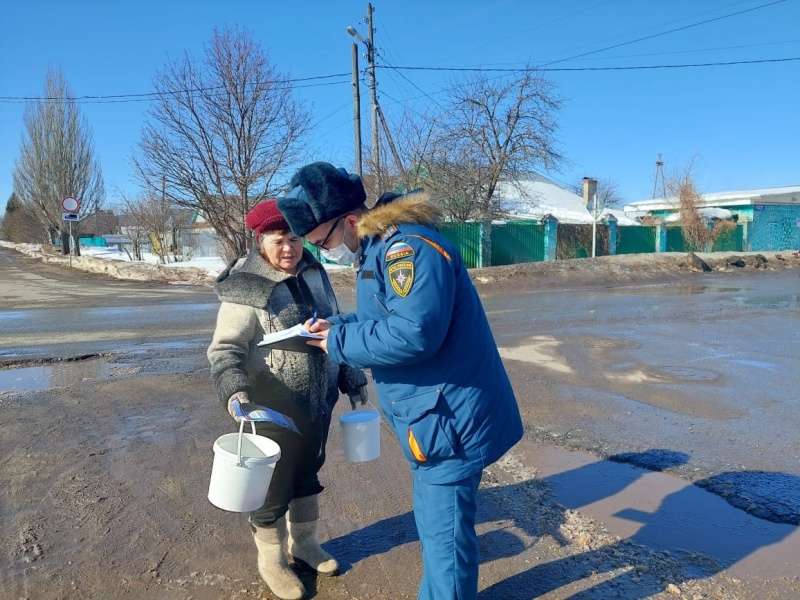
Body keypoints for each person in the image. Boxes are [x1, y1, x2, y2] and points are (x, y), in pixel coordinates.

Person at [277, 162, 524, 600]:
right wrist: (337, 324)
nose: (321, 253)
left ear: (349, 221)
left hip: (446, 420)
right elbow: (387, 317)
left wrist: (339, 341)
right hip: (432, 416)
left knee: (445, 539)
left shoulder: (404, 250)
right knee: (438, 530)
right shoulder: (378, 249)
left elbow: (415, 334)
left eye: (321, 243)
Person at [207, 199, 368, 600]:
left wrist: (350, 373)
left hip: (318, 399)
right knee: (273, 485)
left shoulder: (314, 271)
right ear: (261, 240)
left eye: (295, 239)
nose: (288, 249)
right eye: (278, 240)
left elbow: (334, 322)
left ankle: (306, 544)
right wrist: (234, 391)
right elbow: (225, 349)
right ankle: (272, 560)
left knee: (307, 474)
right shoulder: (247, 286)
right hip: (270, 404)